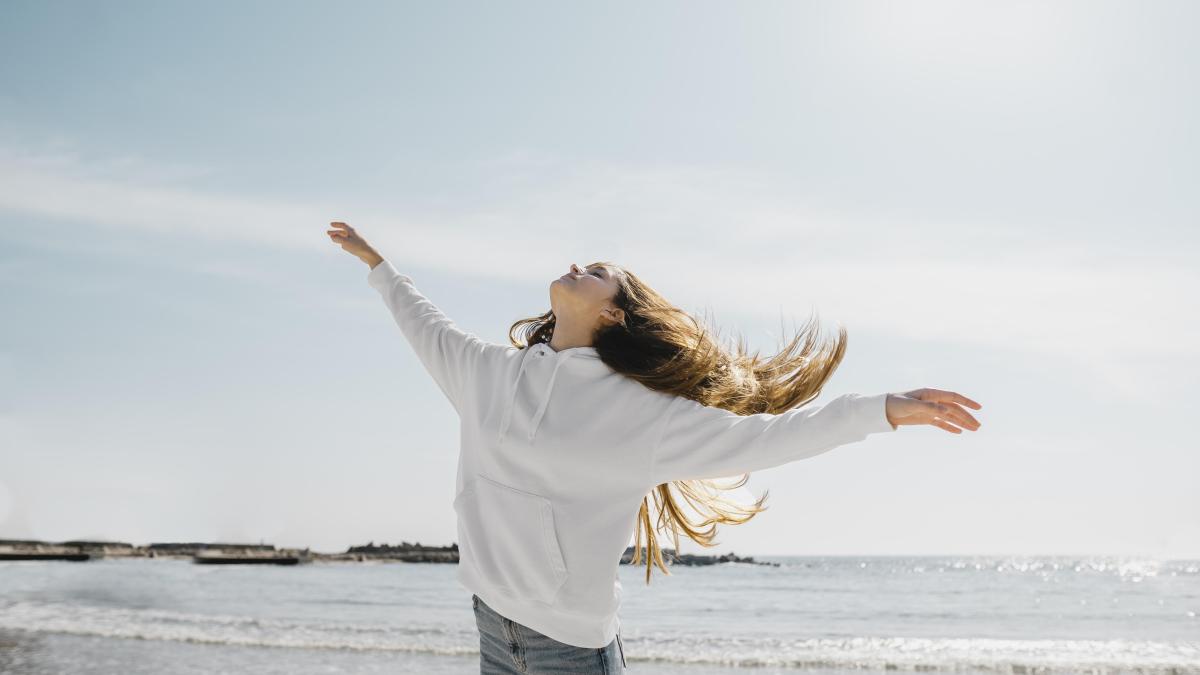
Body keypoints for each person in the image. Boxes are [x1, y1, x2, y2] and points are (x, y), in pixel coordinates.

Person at [326, 221, 983, 674]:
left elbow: (772, 436)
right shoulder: (487, 373)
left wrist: (880, 411)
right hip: (493, 627)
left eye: (600, 273)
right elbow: (423, 323)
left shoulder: (640, 416)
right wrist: (378, 265)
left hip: (572, 652)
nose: (579, 266)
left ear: (615, 313)